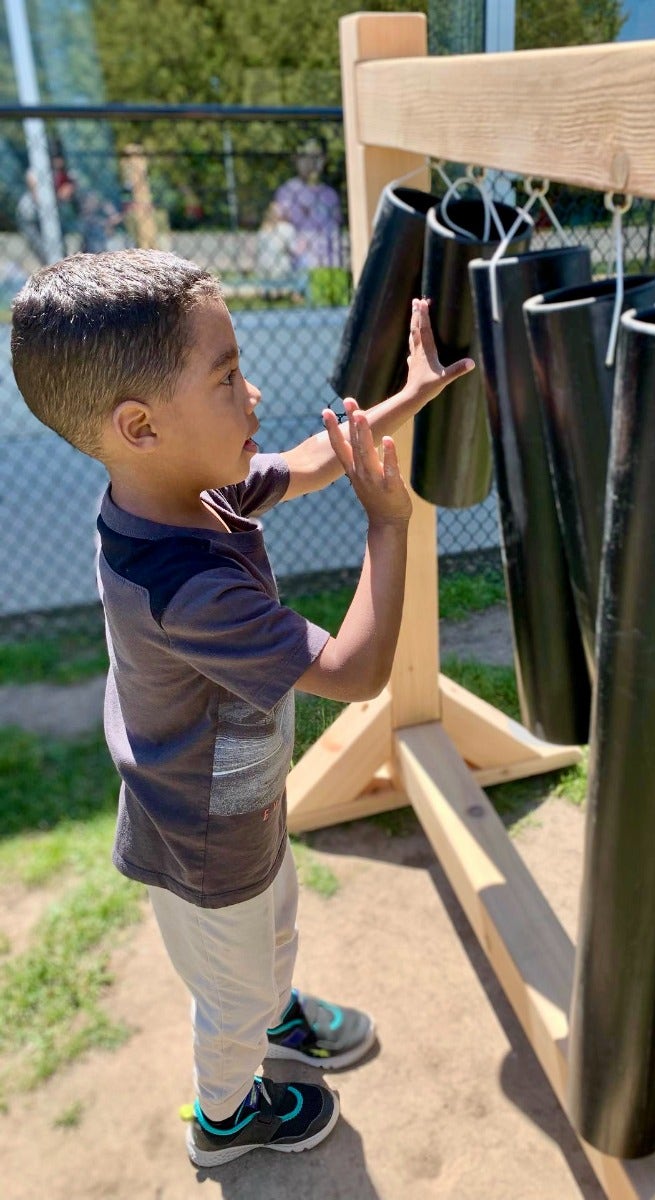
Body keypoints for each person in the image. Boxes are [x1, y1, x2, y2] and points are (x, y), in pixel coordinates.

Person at [10, 249, 474, 1168]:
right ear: (139, 425)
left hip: (237, 812)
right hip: (205, 841)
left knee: (274, 928)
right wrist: (390, 522)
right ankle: (227, 1114)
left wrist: (411, 394)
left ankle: (277, 1015)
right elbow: (356, 669)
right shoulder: (185, 587)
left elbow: (306, 461)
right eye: (226, 378)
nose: (254, 393)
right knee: (227, 999)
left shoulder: (183, 495)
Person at [274, 138, 342, 275]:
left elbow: (335, 226)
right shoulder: (288, 191)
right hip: (300, 257)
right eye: (306, 158)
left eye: (317, 158)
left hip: (328, 257)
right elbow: (281, 226)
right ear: (297, 161)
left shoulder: (330, 194)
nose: (312, 163)